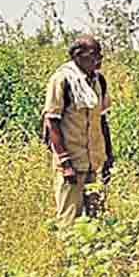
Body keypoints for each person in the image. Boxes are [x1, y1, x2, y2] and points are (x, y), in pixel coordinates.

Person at [43, 36, 114, 227]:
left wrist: (108, 155)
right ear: (78, 56)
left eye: (100, 54)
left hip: (94, 161)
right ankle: (68, 257)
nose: (99, 59)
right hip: (72, 163)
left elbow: (102, 119)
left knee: (95, 220)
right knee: (69, 220)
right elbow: (52, 121)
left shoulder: (99, 81)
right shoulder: (63, 80)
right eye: (94, 54)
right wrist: (65, 162)